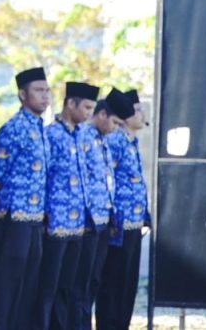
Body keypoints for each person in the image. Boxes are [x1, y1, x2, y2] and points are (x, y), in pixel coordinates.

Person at [0, 67, 51, 330]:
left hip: (35, 217)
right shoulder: (13, 128)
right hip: (13, 217)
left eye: (47, 90)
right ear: (23, 95)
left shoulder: (40, 128)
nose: (45, 96)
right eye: (38, 90)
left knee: (29, 286)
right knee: (9, 284)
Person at [33, 82, 99, 330]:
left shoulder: (82, 135)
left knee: (67, 288)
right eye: (86, 108)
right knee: (47, 288)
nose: (89, 114)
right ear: (70, 104)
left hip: (77, 225)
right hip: (55, 224)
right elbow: (43, 178)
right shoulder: (51, 135)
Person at [74, 88, 132, 330]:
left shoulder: (102, 140)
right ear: (102, 114)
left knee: (94, 281)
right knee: (81, 284)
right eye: (115, 122)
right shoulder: (83, 137)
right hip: (86, 222)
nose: (115, 128)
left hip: (102, 222)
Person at [96, 88, 150, 330]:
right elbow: (109, 179)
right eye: (137, 110)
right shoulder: (115, 140)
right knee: (114, 282)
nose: (141, 114)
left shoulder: (130, 142)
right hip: (119, 224)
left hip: (134, 223)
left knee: (128, 283)